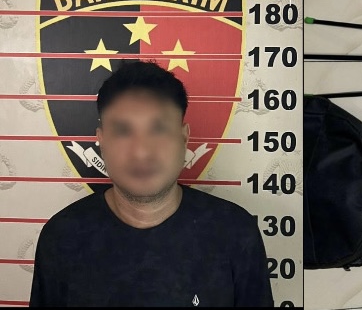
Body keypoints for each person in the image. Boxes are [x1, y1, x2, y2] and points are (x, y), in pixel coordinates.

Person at [29, 61, 273, 307]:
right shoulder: (62, 237)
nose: (142, 152)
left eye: (158, 129)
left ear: (184, 138)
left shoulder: (235, 233)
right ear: (101, 141)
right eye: (123, 131)